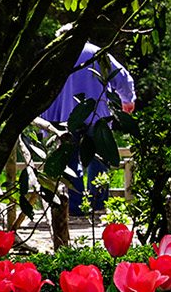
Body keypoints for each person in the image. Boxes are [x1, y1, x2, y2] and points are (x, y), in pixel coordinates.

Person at [43, 42, 136, 217]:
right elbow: (121, 76)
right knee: (99, 159)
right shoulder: (97, 53)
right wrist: (127, 99)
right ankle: (98, 204)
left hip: (66, 117)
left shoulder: (58, 53)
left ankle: (76, 207)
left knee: (69, 161)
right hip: (97, 114)